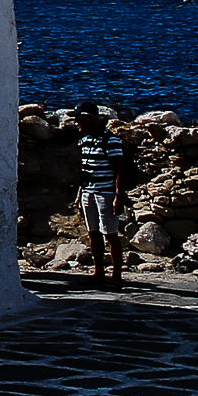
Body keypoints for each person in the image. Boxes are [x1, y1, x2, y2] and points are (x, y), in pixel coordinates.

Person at [72, 103, 132, 287]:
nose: (77, 125)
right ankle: (98, 272)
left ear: (89, 120)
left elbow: (120, 170)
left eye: (79, 120)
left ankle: (116, 275)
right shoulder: (85, 141)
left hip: (105, 193)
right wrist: (80, 193)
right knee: (93, 233)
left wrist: (118, 196)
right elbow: (85, 170)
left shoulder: (110, 141)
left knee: (110, 234)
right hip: (88, 191)